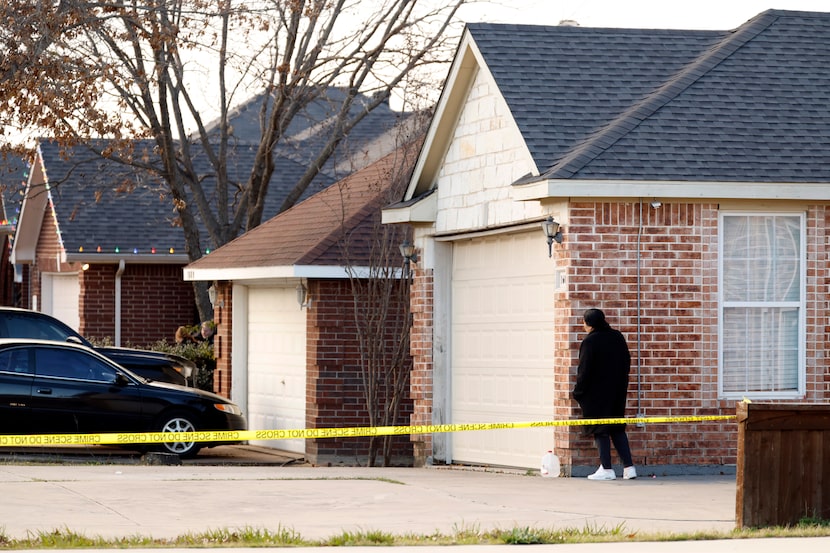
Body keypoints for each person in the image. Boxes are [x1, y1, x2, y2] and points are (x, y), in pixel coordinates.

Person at [572, 308, 637, 481]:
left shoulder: (590, 341)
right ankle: (629, 467)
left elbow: (584, 370)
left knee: (600, 428)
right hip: (617, 390)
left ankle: (606, 468)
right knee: (617, 427)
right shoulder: (617, 337)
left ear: (589, 323)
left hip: (596, 393)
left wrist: (578, 392)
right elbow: (627, 361)